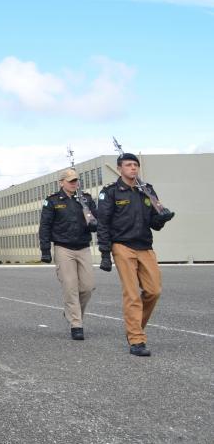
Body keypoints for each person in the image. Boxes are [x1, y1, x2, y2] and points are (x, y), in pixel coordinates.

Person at [97, 153, 175, 357]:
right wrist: (105, 253)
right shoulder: (111, 192)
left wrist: (163, 219)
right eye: (128, 165)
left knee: (154, 291)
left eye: (135, 165)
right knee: (132, 294)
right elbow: (103, 224)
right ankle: (136, 339)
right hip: (122, 246)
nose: (133, 168)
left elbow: (154, 224)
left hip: (145, 246)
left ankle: (135, 328)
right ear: (119, 168)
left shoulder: (146, 191)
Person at [39, 168, 97, 341]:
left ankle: (71, 313)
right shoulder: (53, 201)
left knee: (88, 287)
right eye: (71, 181)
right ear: (61, 183)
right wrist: (45, 250)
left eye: (76, 181)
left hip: (84, 247)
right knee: (70, 286)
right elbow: (45, 226)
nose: (74, 184)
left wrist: (95, 223)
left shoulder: (85, 199)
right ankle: (76, 324)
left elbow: (97, 218)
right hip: (63, 248)